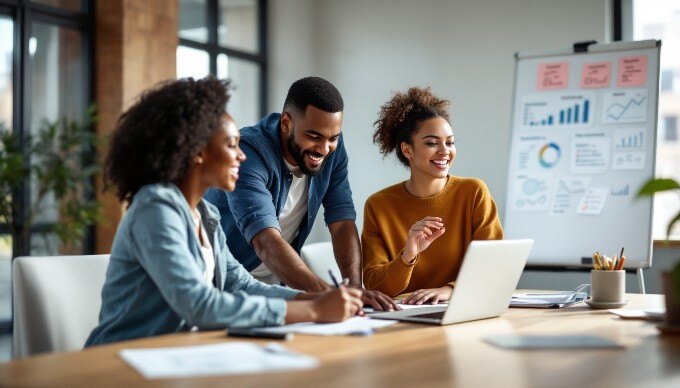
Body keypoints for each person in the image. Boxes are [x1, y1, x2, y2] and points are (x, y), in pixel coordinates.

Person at [86, 77, 362, 346]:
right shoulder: (155, 209)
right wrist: (314, 311)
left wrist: (319, 299)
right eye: (231, 146)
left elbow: (241, 284)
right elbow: (200, 305)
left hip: (178, 357)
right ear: (197, 152)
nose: (241, 156)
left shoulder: (205, 214)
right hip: (122, 359)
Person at [204, 76, 397, 311]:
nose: (324, 148)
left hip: (280, 285)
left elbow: (342, 220)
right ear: (286, 123)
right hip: (224, 284)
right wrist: (330, 296)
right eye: (314, 137)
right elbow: (266, 241)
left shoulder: (329, 148)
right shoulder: (248, 154)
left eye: (333, 138)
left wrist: (355, 290)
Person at [362, 87, 503, 305]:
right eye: (431, 143)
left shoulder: (473, 192)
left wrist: (450, 290)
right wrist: (408, 255)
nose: (445, 150)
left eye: (450, 142)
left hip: (464, 308)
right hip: (403, 319)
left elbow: (494, 265)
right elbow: (375, 287)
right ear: (408, 150)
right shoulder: (379, 205)